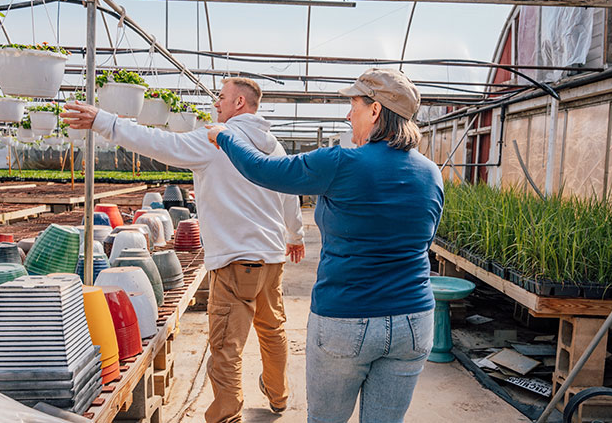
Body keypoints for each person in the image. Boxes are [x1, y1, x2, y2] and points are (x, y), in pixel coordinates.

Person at [206, 68, 444, 423]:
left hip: (347, 318)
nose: (349, 115)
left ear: (375, 111)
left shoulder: (341, 162)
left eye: (354, 105)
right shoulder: (431, 172)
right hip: (414, 320)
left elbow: (263, 169)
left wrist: (224, 137)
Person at [62, 78, 305, 423]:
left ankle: (225, 416)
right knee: (273, 328)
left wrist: (105, 121)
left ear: (239, 103)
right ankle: (279, 396)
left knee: (225, 348)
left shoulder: (217, 140)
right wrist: (295, 235)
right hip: (271, 260)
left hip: (236, 263)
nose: (216, 104)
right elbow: (289, 195)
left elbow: (160, 142)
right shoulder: (275, 147)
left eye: (221, 98)